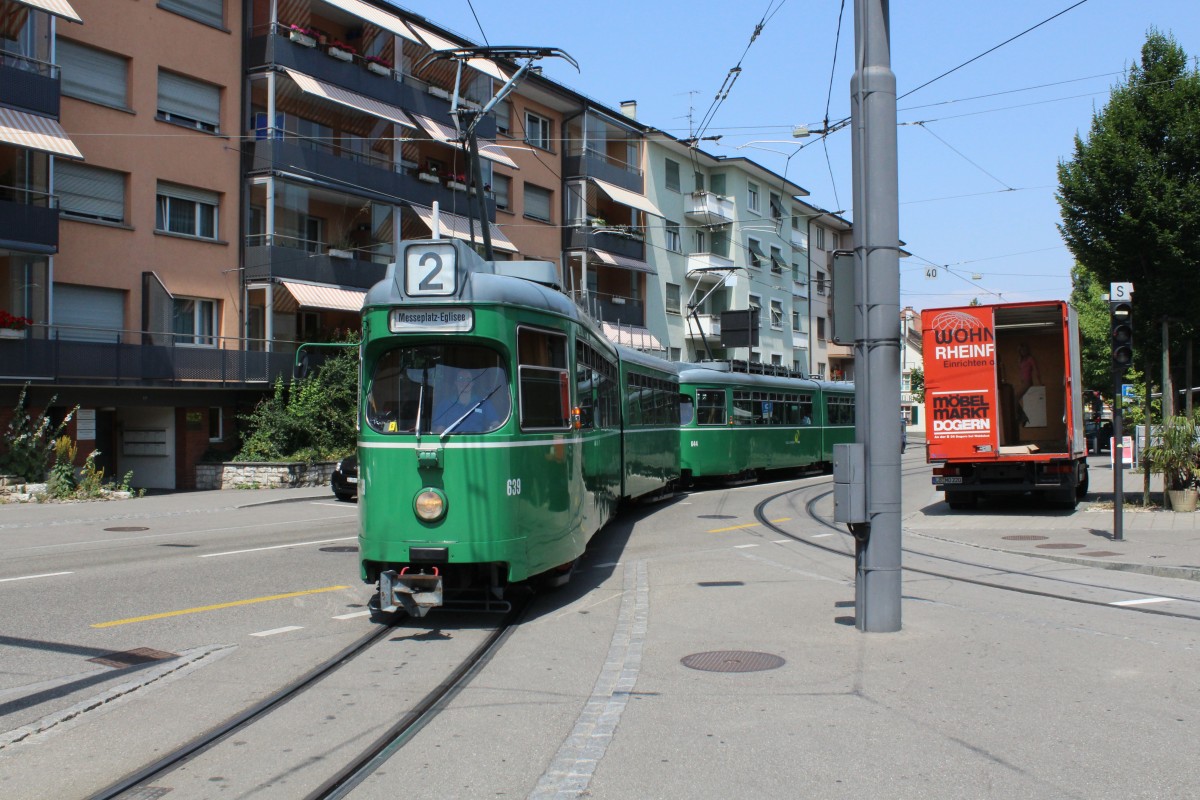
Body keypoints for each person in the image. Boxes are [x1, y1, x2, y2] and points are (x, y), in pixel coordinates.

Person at [1015, 343, 1041, 426]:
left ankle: (1021, 417)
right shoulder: (1021, 360)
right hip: (1023, 382)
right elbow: (1020, 371)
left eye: (1024, 350)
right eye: (1021, 350)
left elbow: (1036, 370)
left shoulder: (1030, 359)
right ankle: (1022, 417)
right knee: (1013, 398)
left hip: (1028, 382)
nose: (1023, 352)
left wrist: (1040, 382)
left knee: (1015, 398)